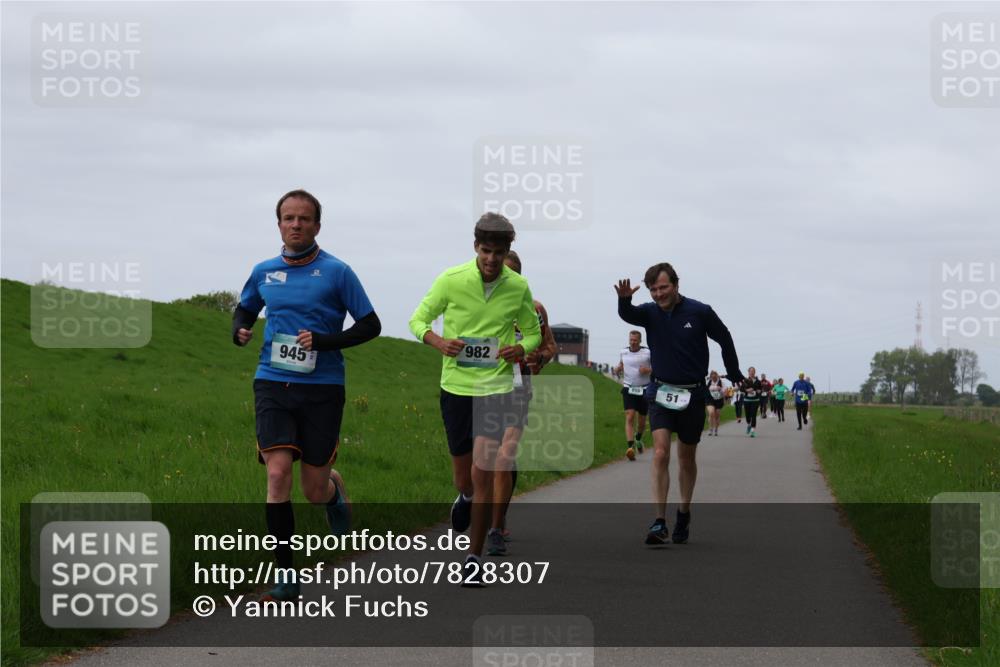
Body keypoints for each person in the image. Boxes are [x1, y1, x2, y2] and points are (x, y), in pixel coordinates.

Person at [232, 189, 382, 601]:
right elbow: (245, 307)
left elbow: (370, 325)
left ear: (317, 225)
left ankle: (332, 489)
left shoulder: (337, 272)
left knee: (312, 490)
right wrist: (240, 329)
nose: (296, 225)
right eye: (288, 218)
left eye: (304, 219)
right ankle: (285, 576)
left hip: (323, 388)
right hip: (272, 381)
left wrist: (324, 341)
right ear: (278, 223)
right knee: (277, 474)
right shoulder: (264, 270)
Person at [409, 213, 541, 585]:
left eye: (499, 253)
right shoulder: (450, 280)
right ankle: (465, 498)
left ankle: (473, 557)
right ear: (475, 248)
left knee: (484, 472)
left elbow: (531, 332)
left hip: (496, 389)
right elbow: (418, 320)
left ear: (507, 252)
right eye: (486, 251)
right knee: (465, 480)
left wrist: (520, 348)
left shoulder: (518, 287)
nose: (491, 259)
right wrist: (438, 341)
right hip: (456, 388)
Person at [616, 262, 744, 546]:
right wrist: (624, 300)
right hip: (660, 392)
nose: (659, 294)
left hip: (693, 394)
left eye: (663, 288)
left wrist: (734, 373)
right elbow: (629, 315)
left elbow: (724, 338)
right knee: (660, 452)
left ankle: (683, 512)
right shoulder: (650, 313)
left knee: (686, 458)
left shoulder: (699, 312)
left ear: (676, 285)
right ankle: (659, 521)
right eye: (653, 290)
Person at [488, 250, 557, 555]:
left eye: (511, 272)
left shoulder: (535, 308)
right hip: (482, 386)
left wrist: (539, 356)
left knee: (504, 455)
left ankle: (495, 526)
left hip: (518, 385)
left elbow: (550, 346)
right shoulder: (481, 304)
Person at [615, 330, 652, 460]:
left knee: (641, 421)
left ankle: (638, 439)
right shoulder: (623, 352)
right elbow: (621, 364)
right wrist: (617, 368)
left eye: (635, 340)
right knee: (630, 417)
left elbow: (657, 369)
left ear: (640, 341)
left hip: (644, 389)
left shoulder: (648, 352)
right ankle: (630, 448)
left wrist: (647, 370)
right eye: (631, 340)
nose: (633, 342)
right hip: (628, 388)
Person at [739, 367, 762, 437]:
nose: (752, 372)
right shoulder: (745, 380)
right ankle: (749, 424)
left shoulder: (758, 381)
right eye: (750, 371)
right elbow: (741, 389)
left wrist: (759, 391)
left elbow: (760, 390)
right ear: (748, 372)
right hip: (747, 400)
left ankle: (752, 431)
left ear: (754, 372)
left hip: (755, 400)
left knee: (753, 415)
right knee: (748, 416)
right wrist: (747, 390)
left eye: (753, 371)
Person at [705, 370, 725, 436]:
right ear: (710, 376)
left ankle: (716, 429)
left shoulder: (721, 382)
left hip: (719, 400)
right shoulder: (708, 381)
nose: (713, 377)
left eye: (715, 375)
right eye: (712, 375)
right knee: (711, 413)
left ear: (717, 376)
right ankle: (710, 429)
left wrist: (720, 389)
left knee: (717, 415)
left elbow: (724, 391)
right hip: (710, 399)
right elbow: (704, 388)